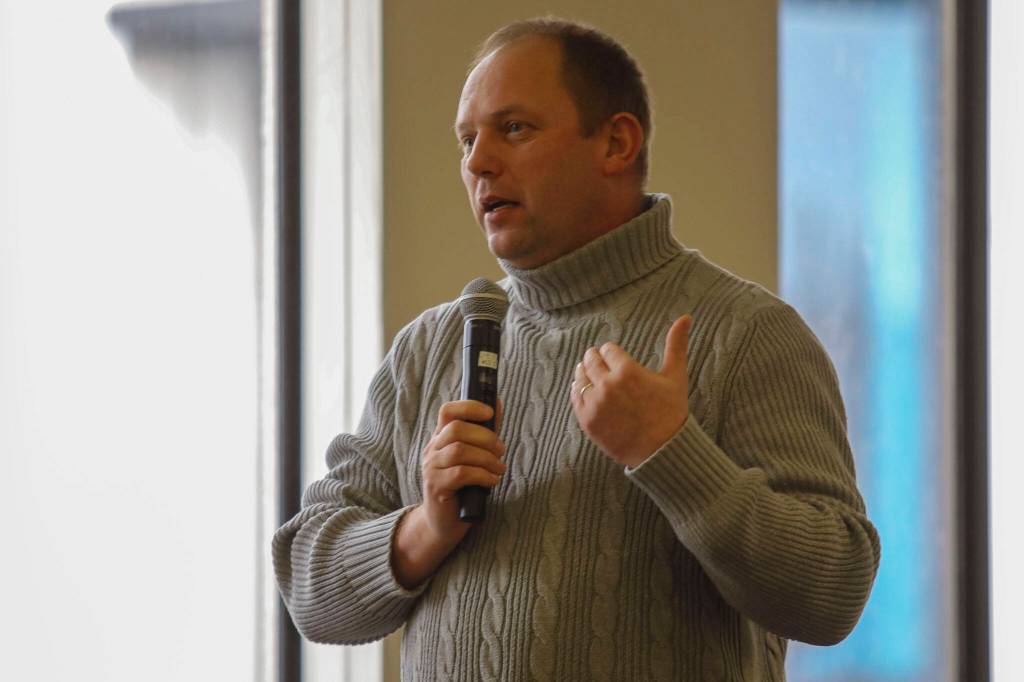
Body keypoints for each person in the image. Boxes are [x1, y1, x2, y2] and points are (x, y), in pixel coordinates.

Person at [273, 17, 880, 681]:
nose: (478, 162)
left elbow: (834, 591)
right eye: (467, 140)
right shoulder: (430, 346)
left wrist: (671, 454)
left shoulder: (746, 332)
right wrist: (424, 528)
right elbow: (308, 586)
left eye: (513, 128)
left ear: (616, 143)